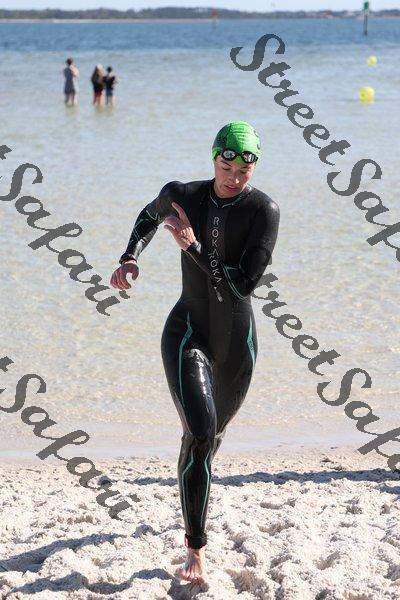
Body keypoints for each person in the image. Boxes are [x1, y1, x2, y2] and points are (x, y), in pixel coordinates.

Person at [110, 121, 280, 585]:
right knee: (201, 434)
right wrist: (130, 256)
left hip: (237, 343)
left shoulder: (263, 211)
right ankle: (196, 550)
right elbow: (149, 216)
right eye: (226, 167)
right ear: (214, 158)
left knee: (211, 438)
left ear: (254, 168)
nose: (233, 178)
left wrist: (192, 247)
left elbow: (241, 285)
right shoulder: (183, 195)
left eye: (243, 171)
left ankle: (193, 476)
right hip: (187, 331)